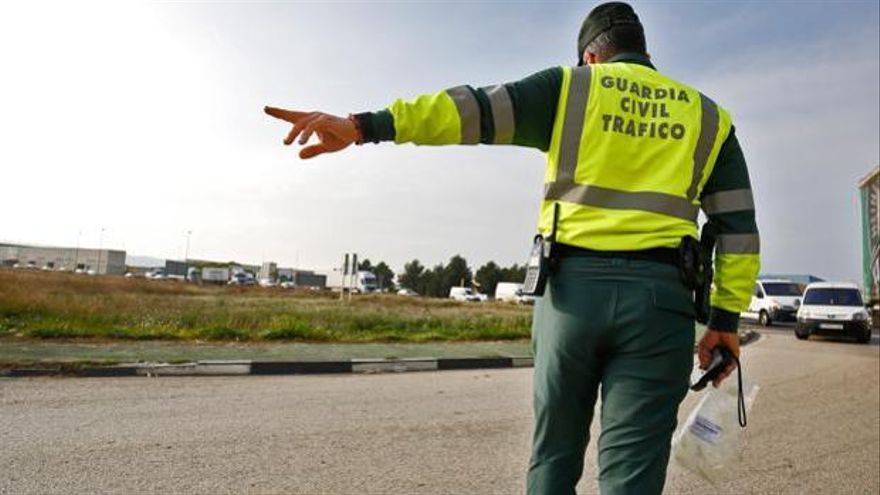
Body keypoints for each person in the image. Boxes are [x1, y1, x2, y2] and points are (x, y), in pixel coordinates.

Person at [265, 2, 759, 493]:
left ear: (590, 57)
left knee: (554, 455)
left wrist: (363, 126)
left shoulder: (570, 89)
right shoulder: (708, 117)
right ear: (645, 53)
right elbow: (737, 230)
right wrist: (724, 322)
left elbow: (468, 110)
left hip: (570, 297)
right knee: (633, 473)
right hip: (661, 305)